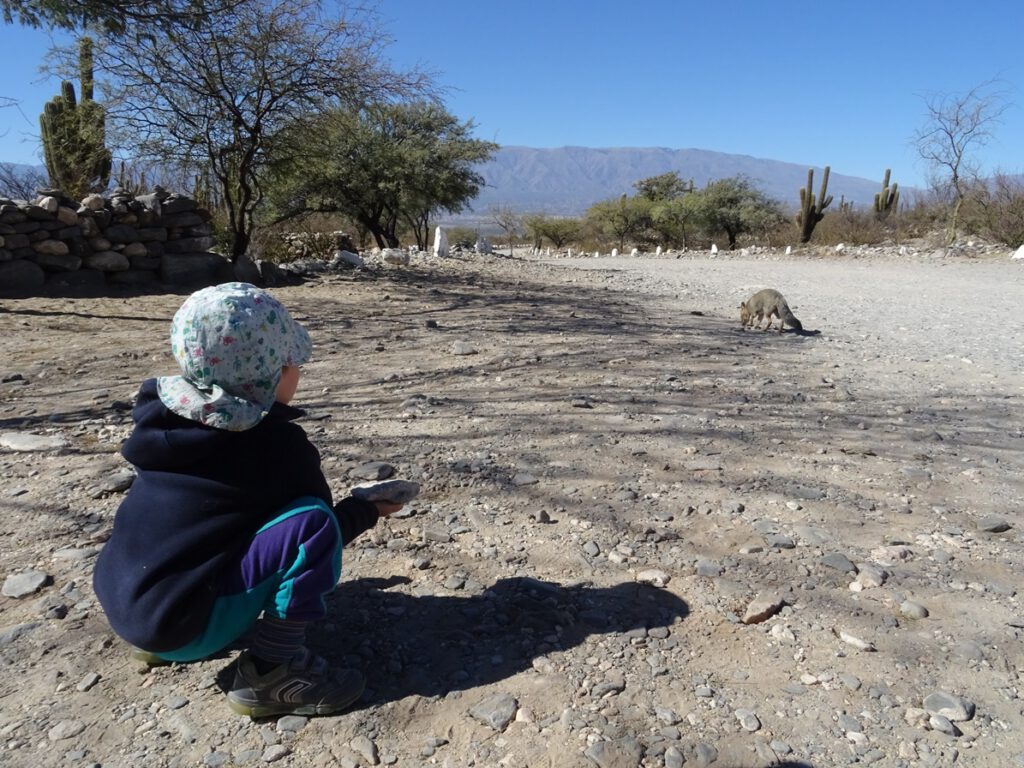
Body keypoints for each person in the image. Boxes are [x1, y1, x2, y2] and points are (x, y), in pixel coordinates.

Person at [92, 282, 410, 718]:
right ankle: (271, 673)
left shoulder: (165, 428)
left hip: (128, 604)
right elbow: (321, 534)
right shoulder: (277, 446)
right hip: (182, 628)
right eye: (293, 362)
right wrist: (367, 509)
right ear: (275, 373)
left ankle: (159, 642)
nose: (299, 370)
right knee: (310, 523)